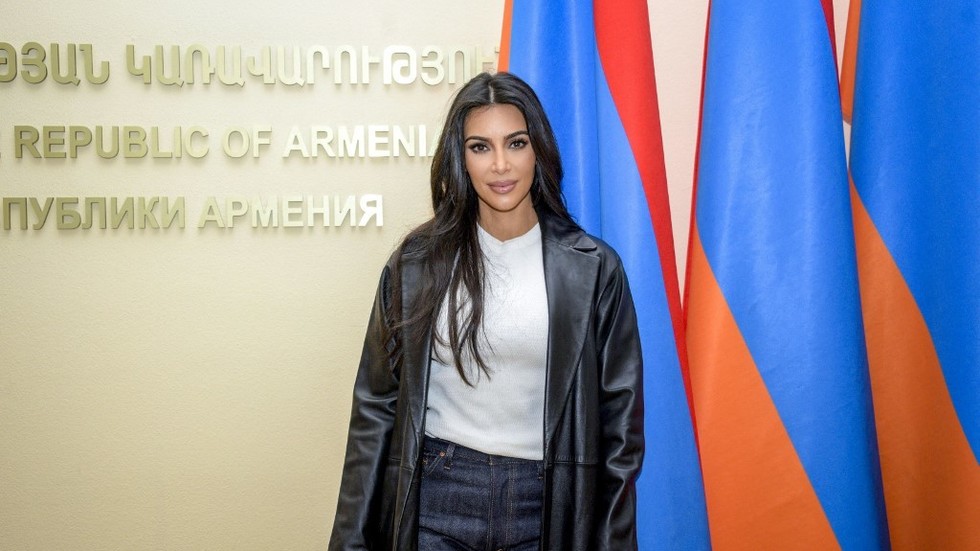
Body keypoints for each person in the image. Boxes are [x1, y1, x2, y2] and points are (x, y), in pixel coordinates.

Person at [328, 72, 643, 551]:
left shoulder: (594, 270)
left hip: (547, 509)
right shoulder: (415, 264)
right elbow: (375, 412)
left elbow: (620, 432)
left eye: (515, 143)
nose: (500, 165)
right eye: (480, 147)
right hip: (435, 500)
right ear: (461, 158)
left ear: (538, 149)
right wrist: (349, 540)